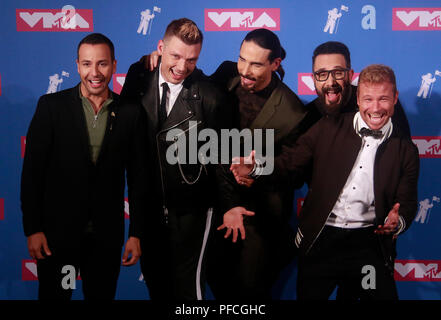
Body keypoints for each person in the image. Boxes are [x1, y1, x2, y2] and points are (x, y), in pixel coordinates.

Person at [143, 28, 307, 299]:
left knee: (248, 290)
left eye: (255, 64)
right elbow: (186, 75)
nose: (244, 69)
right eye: (242, 59)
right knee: (214, 281)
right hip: (215, 203)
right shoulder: (226, 73)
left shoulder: (293, 112)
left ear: (275, 64)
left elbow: (295, 172)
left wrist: (257, 171)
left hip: (259, 215)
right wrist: (154, 58)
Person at [231, 64, 420, 300]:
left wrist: (398, 221)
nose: (375, 108)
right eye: (368, 99)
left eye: (383, 99)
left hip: (368, 245)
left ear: (395, 99)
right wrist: (256, 167)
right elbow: (288, 163)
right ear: (358, 100)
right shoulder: (328, 127)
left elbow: (408, 201)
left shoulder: (406, 150)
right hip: (322, 239)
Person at [21, 33, 148, 300]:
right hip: (58, 238)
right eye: (87, 64)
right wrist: (33, 229)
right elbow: (32, 174)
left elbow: (138, 179)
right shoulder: (51, 107)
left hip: (105, 238)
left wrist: (136, 233)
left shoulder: (130, 112)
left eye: (102, 64)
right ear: (77, 65)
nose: (95, 72)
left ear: (114, 65)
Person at [120, 18, 229, 300]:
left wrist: (232, 204)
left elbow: (220, 160)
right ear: (160, 48)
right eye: (176, 56)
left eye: (191, 59)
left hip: (193, 211)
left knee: (189, 294)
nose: (182, 67)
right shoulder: (138, 75)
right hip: (150, 211)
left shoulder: (209, 96)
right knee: (158, 287)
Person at [299, 41, 411, 139]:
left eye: (338, 73)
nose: (330, 82)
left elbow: (403, 152)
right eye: (322, 74)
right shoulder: (308, 116)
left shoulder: (380, 104)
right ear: (314, 79)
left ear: (350, 75)